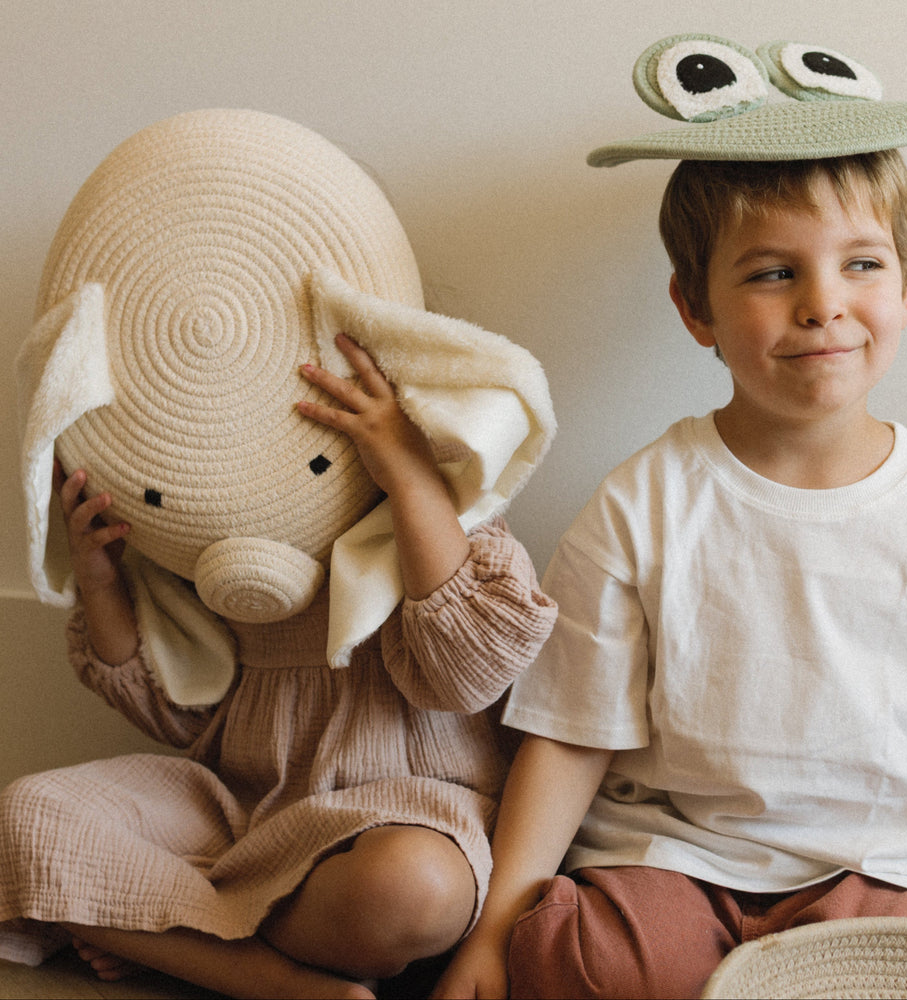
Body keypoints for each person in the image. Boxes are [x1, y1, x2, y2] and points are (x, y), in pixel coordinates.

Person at [433, 39, 907, 998]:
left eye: (861, 264)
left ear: (906, 289)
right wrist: (489, 932)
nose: (825, 306)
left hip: (882, 867)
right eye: (772, 274)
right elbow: (573, 733)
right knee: (578, 960)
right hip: (677, 856)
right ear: (695, 307)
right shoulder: (643, 502)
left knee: (890, 975)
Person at [0, 333, 556, 1000]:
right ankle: (270, 980)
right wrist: (100, 580)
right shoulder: (223, 559)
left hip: (409, 814)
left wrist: (410, 478)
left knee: (415, 888)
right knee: (25, 817)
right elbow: (173, 713)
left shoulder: (458, 523)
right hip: (240, 811)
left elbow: (467, 673)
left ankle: (163, 931)